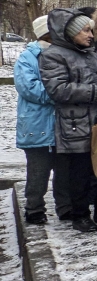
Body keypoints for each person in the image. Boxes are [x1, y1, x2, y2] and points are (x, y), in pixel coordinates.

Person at [39, 8, 97, 233]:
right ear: (70, 33)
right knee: (79, 172)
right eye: (85, 31)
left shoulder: (92, 54)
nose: (91, 35)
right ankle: (80, 215)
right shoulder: (53, 55)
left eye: (90, 30)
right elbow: (58, 89)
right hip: (75, 124)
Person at [14, 15, 66, 224]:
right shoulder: (27, 58)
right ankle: (34, 209)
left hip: (62, 126)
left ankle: (66, 207)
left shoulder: (63, 54)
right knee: (38, 171)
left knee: (64, 172)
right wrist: (61, 93)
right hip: (37, 126)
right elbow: (29, 88)